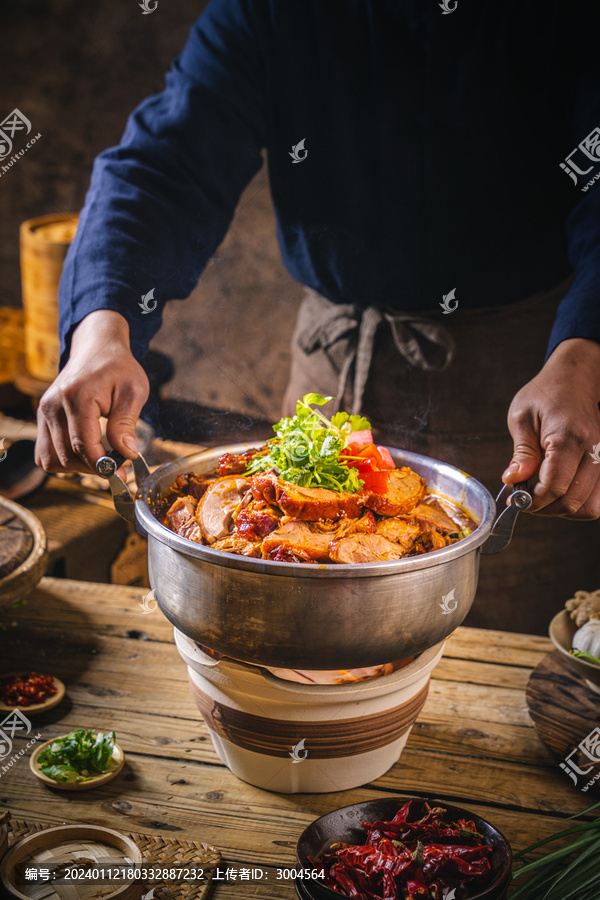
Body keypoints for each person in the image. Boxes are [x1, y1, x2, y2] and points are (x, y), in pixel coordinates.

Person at [35, 0, 600, 632]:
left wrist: (587, 346)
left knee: (507, 668)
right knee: (287, 647)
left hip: (532, 388)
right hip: (329, 368)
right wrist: (101, 326)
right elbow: (164, 165)